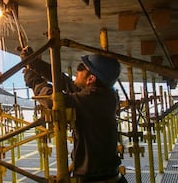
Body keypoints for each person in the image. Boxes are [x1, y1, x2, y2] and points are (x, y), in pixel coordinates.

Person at [20, 47, 127, 183]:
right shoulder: (104, 95)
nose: (78, 70)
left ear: (91, 79)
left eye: (82, 67)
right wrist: (36, 63)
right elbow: (65, 83)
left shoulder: (93, 99)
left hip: (95, 180)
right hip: (107, 177)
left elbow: (53, 100)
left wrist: (34, 81)